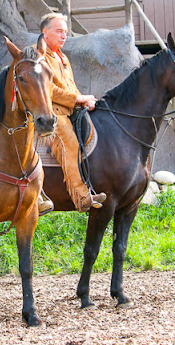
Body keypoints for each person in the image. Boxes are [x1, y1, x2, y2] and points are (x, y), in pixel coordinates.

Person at [38, 12, 106, 212]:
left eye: (65, 32)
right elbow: (47, 88)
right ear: (45, 32)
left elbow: (70, 87)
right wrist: (77, 99)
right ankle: (82, 196)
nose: (63, 36)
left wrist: (84, 99)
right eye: (59, 31)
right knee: (69, 141)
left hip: (68, 108)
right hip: (50, 112)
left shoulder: (62, 57)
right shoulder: (38, 56)